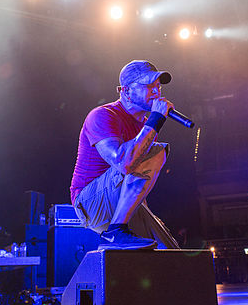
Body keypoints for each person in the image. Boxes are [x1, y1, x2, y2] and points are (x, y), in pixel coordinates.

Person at [70, 60, 180, 250]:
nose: (156, 91)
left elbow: (137, 179)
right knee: (157, 151)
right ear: (125, 91)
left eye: (158, 86)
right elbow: (124, 163)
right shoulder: (102, 115)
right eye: (148, 86)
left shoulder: (144, 125)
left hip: (115, 199)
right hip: (90, 203)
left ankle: (121, 229)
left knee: (169, 251)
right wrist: (155, 121)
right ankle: (115, 231)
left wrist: (147, 217)